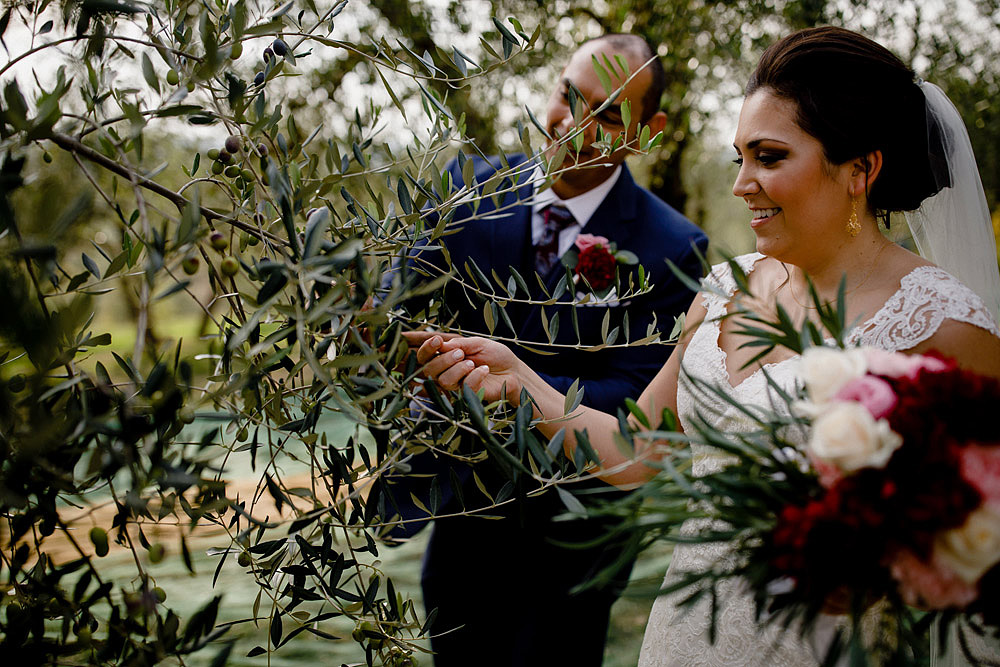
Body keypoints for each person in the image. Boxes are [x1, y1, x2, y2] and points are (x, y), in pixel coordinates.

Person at [407, 26, 1000, 666]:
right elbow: (641, 453)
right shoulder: (724, 287)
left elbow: (976, 558)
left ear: (861, 168)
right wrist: (521, 380)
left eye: (770, 158)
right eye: (740, 157)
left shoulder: (942, 327)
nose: (743, 182)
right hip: (686, 635)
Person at [380, 34, 708, 666]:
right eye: (569, 96)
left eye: (609, 113)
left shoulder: (674, 247)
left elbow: (642, 401)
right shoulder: (464, 190)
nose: (575, 125)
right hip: (462, 515)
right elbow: (401, 308)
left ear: (648, 130)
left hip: (578, 536)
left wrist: (519, 386)